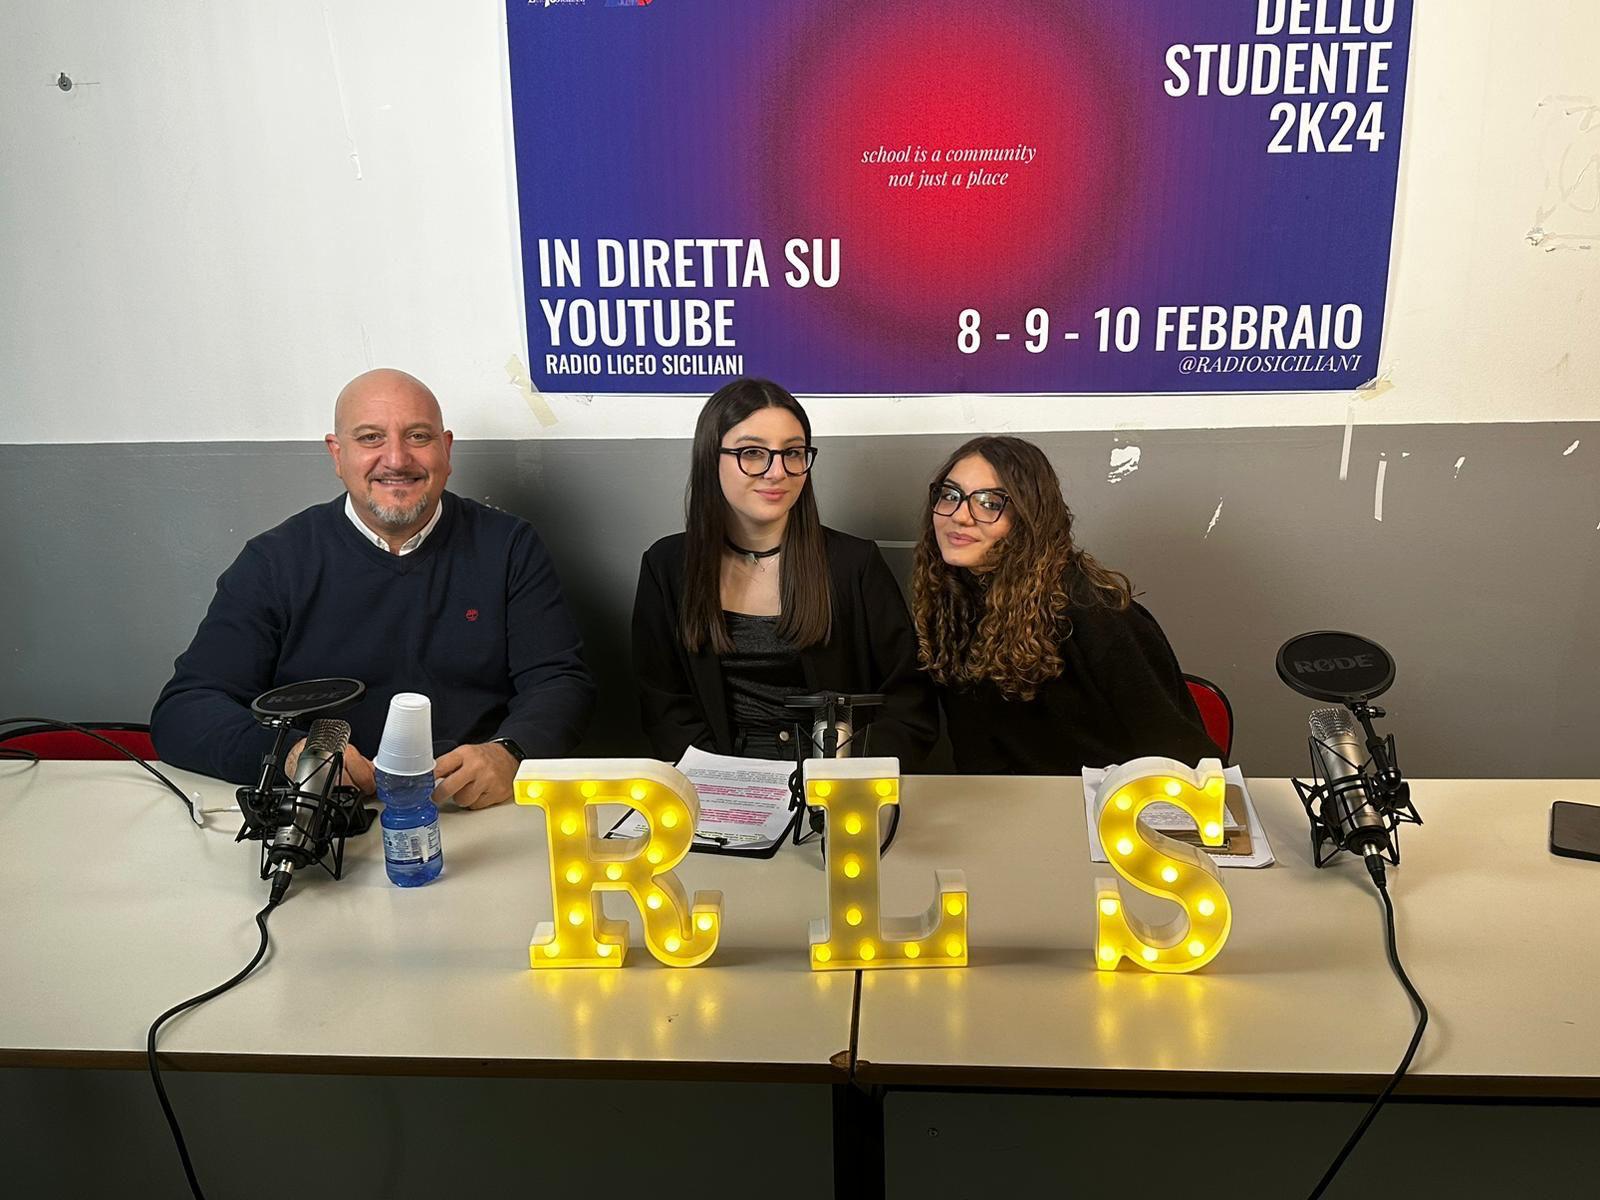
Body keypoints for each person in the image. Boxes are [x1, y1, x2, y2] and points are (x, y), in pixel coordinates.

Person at [151, 368, 594, 808]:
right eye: (370, 438)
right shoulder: (275, 561)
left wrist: (510, 752)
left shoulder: (508, 545)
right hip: (324, 811)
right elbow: (185, 710)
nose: (397, 459)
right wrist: (294, 758)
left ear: (447, 449)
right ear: (337, 454)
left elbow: (559, 682)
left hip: (473, 806)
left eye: (418, 436)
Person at [632, 377, 936, 766]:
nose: (777, 471)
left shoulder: (854, 564)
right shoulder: (667, 567)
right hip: (716, 783)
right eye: (752, 453)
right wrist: (722, 786)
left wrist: (848, 774)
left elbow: (910, 704)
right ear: (711, 457)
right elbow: (664, 708)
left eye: (792, 453)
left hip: (836, 782)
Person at [911, 435, 1217, 775]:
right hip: (1004, 813)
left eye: (989, 502)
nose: (960, 516)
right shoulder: (951, 603)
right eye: (950, 495)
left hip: (1105, 812)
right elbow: (976, 757)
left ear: (1028, 517)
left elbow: (1185, 757)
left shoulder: (1096, 613)